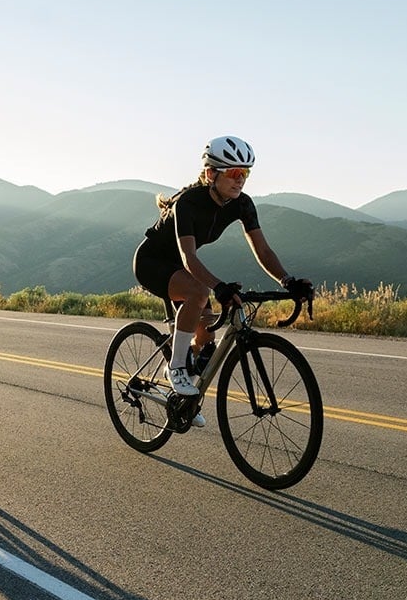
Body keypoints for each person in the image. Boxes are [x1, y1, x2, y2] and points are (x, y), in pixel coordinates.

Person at [132, 135, 313, 426]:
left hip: (180, 266)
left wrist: (288, 280)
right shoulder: (188, 203)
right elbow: (189, 258)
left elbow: (263, 250)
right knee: (199, 293)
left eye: (245, 173)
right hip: (152, 263)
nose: (240, 180)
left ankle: (183, 392)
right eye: (233, 173)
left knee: (206, 338)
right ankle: (176, 368)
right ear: (210, 174)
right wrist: (218, 287)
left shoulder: (241, 204)